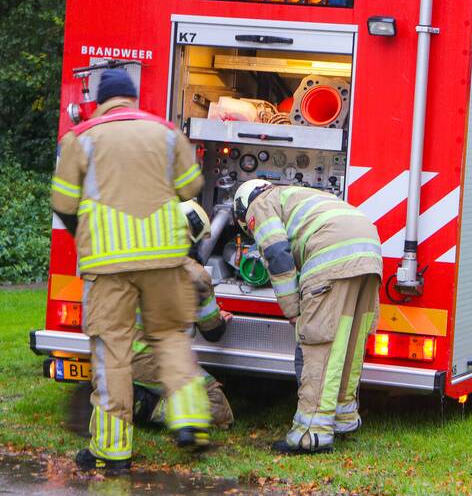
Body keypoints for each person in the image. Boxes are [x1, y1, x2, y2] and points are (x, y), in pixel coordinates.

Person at [51, 68, 212, 472]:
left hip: (108, 265)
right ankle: (192, 420)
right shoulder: (166, 132)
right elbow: (192, 187)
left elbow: (64, 203)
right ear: (132, 97)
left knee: (112, 351)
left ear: (102, 100)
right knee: (171, 336)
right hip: (166, 260)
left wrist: (84, 238)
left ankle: (111, 449)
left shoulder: (80, 138)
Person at [232, 179, 382, 454]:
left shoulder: (260, 204)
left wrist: (293, 310)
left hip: (331, 253)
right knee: (347, 340)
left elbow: (277, 254)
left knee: (319, 344)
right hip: (368, 250)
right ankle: (343, 417)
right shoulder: (297, 194)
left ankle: (311, 433)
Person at [131, 201, 235, 430]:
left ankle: (133, 395)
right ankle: (153, 409)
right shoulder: (195, 275)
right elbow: (213, 334)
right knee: (219, 409)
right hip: (157, 360)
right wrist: (219, 319)